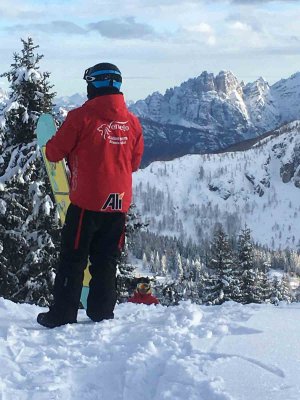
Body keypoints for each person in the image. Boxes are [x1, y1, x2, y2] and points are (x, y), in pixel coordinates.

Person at [37, 62, 144, 328]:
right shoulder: (132, 121)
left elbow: (53, 153)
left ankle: (62, 314)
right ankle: (101, 312)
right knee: (106, 260)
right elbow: (134, 163)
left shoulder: (80, 117)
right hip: (118, 203)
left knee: (73, 258)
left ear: (95, 84)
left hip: (87, 202)